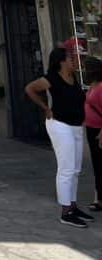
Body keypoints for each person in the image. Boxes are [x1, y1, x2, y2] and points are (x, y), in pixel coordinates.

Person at [25, 44, 91, 228]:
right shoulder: (51, 78)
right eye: (70, 58)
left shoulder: (74, 77)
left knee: (75, 169)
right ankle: (66, 211)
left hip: (76, 126)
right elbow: (30, 89)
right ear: (61, 62)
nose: (74, 60)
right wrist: (45, 108)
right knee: (66, 168)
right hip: (60, 125)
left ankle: (73, 205)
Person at [83, 56, 102, 213]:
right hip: (91, 129)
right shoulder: (92, 87)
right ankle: (98, 198)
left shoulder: (101, 87)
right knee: (97, 164)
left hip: (99, 131)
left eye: (85, 69)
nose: (83, 72)